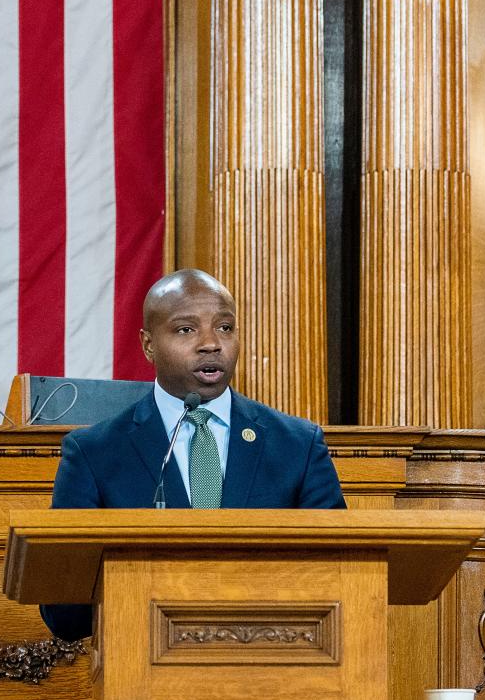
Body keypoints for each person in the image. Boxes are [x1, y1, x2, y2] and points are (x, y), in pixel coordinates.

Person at [41, 268, 345, 641]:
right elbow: (64, 612)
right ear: (148, 344)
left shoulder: (297, 445)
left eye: (225, 328)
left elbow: (338, 577)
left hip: (270, 664)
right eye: (186, 330)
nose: (211, 344)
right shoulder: (95, 454)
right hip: (145, 668)